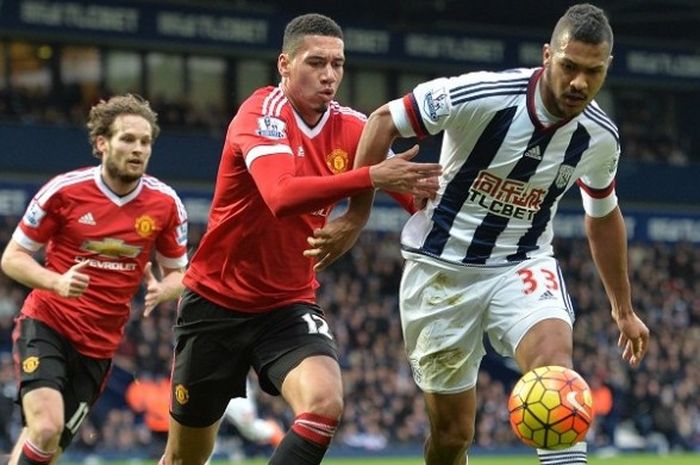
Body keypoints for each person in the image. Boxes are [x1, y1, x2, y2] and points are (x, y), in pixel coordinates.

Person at [306, 4, 650, 465]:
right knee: (451, 436)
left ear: (607, 68)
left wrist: (623, 309)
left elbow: (603, 214)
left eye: (593, 72)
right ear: (548, 55)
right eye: (569, 67)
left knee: (557, 377)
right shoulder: (483, 95)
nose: (578, 83)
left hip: (522, 263)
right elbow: (383, 121)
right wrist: (356, 214)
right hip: (440, 271)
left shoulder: (599, 136)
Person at [160, 12, 441, 465]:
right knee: (184, 458)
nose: (329, 75)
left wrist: (451, 199)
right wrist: (370, 177)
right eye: (316, 63)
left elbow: (419, 197)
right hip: (215, 303)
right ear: (284, 65)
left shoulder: (354, 127)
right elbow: (280, 195)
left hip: (287, 305)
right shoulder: (261, 113)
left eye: (338, 64)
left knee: (325, 405)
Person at [1, 94, 188, 465]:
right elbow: (12, 258)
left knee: (47, 447)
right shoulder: (64, 192)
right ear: (102, 143)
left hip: (100, 347)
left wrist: (166, 289)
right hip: (49, 323)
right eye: (128, 139)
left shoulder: (165, 205)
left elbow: (181, 273)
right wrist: (54, 282)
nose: (138, 149)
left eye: (146, 141)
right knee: (45, 426)